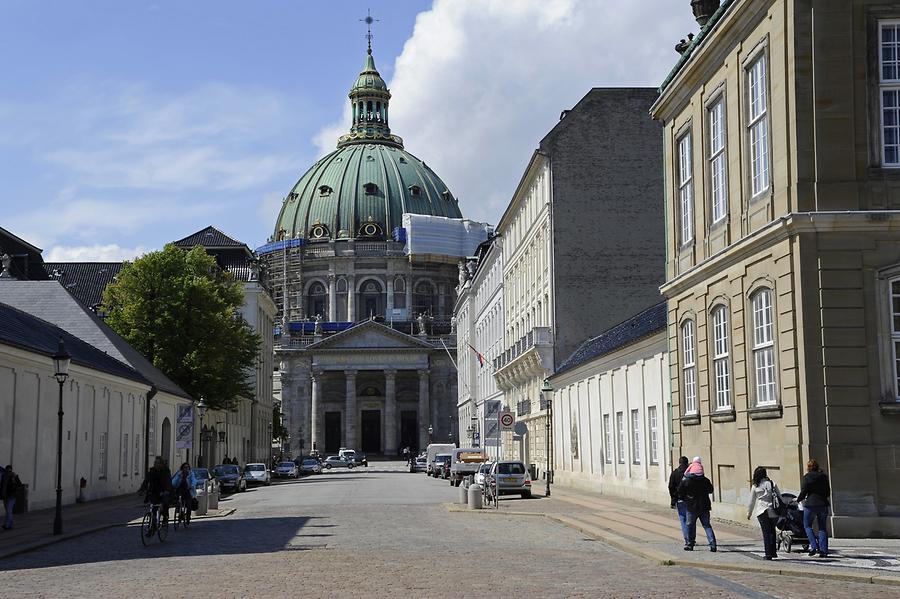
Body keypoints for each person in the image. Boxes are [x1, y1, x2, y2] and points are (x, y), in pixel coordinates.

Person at [677, 457, 717, 552]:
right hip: (704, 506)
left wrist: (685, 498)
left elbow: (680, 491)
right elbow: (711, 490)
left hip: (691, 507)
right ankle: (713, 544)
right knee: (707, 525)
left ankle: (690, 545)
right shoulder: (705, 480)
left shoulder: (686, 480)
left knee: (690, 525)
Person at [797, 458, 830, 558]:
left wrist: (798, 499)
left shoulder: (806, 477)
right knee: (822, 527)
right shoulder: (823, 477)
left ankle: (813, 546)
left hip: (810, 504)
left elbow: (804, 492)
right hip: (823, 504)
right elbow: (828, 491)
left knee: (807, 526)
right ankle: (823, 551)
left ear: (808, 468)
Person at [747, 466, 781, 560]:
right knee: (772, 531)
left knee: (766, 532)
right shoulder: (772, 483)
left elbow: (751, 502)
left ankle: (768, 554)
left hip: (762, 510)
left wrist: (749, 513)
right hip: (773, 510)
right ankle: (773, 552)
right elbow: (779, 496)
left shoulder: (755, 486)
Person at [139, 456, 173, 530]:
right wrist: (142, 490)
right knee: (153, 509)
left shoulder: (166, 471)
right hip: (154, 492)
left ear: (161, 464)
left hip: (163, 492)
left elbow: (168, 482)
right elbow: (146, 481)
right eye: (155, 462)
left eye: (157, 463)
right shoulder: (152, 471)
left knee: (165, 504)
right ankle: (152, 527)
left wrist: (167, 490)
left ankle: (165, 518)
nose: (155, 464)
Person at [668, 456, 690, 547]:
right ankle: (692, 538)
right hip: (690, 499)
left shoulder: (675, 473)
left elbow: (671, 487)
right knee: (690, 520)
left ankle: (687, 539)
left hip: (679, 499)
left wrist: (673, 499)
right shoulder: (690, 473)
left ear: (679, 463)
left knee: (683, 520)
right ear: (687, 463)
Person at [0, 465, 22, 530]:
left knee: (9, 510)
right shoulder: (3, 476)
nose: (8, 471)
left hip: (12, 496)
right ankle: (10, 524)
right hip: (5, 496)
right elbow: (2, 486)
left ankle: (6, 525)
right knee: (8, 511)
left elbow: (19, 484)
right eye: (7, 470)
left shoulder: (14, 476)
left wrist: (14, 480)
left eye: (9, 470)